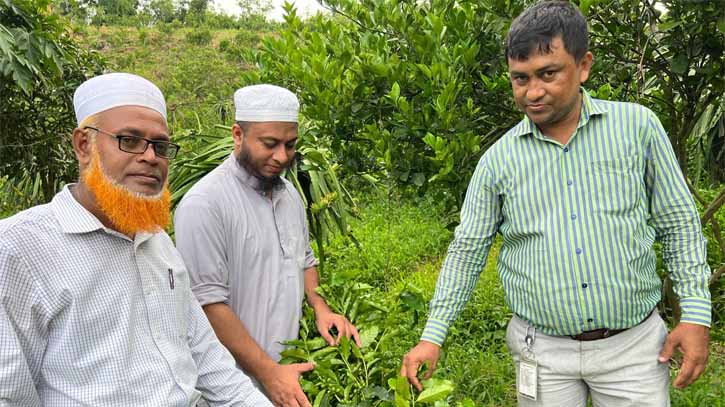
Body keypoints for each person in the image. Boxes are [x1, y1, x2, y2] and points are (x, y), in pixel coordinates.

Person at [401, 2, 711, 406]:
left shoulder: (637, 128)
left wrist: (696, 313)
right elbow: (467, 250)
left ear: (583, 66)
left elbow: (679, 224)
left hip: (632, 349)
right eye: (520, 78)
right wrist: (432, 335)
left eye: (548, 73)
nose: (532, 92)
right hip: (541, 352)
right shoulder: (499, 160)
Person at [0, 73, 271, 406]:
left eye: (160, 145)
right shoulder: (18, 248)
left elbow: (208, 359)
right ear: (84, 145)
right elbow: (8, 393)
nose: (150, 157)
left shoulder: (158, 241)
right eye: (129, 140)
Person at [174, 84, 361, 407]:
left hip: (284, 376)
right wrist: (269, 372)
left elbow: (304, 259)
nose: (282, 157)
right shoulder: (205, 204)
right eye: (270, 144)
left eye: (290, 145)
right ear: (237, 135)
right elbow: (208, 305)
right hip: (229, 387)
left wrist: (321, 308)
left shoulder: (289, 196)